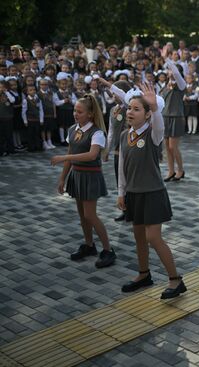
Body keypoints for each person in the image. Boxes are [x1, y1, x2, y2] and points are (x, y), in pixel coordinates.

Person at [117, 83, 186, 299]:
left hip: (153, 193)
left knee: (153, 238)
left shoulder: (152, 135)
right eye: (129, 108)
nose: (130, 112)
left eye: (137, 109)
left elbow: (159, 127)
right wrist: (121, 192)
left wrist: (156, 108)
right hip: (133, 194)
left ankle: (176, 280)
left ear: (147, 115)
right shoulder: (124, 135)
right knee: (139, 237)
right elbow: (122, 167)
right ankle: (143, 274)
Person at [51, 95, 116, 268]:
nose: (75, 114)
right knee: (82, 215)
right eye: (74, 110)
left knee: (90, 215)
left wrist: (65, 156)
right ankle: (89, 245)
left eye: (79, 111)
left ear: (90, 114)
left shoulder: (97, 133)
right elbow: (70, 158)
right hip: (77, 176)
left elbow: (92, 155)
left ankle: (108, 250)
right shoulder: (73, 129)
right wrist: (62, 179)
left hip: (90, 176)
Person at [102, 79, 132, 222]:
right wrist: (107, 149)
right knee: (120, 180)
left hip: (130, 149)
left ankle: (133, 209)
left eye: (115, 93)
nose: (113, 96)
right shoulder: (113, 110)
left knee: (131, 180)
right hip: (117, 150)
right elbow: (111, 131)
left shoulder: (130, 108)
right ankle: (125, 209)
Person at [161, 58, 187, 181]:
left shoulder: (181, 85)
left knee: (173, 146)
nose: (169, 71)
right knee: (166, 146)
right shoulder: (165, 85)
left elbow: (176, 73)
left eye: (170, 69)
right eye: (168, 69)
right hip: (165, 116)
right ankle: (170, 170)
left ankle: (180, 170)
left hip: (176, 117)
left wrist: (167, 59)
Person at [21, 84, 44, 152]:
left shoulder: (38, 99)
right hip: (30, 120)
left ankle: (38, 147)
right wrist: (25, 121)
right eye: (31, 90)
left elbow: (41, 110)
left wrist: (41, 119)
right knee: (30, 134)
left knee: (37, 133)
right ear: (27, 92)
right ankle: (31, 147)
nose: (33, 91)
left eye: (34, 90)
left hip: (37, 120)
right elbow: (23, 112)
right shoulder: (26, 100)